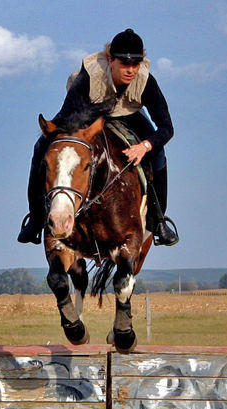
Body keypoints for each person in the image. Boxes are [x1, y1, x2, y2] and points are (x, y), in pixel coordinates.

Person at [18, 28, 179, 246]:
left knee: (158, 153)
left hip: (129, 115)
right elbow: (68, 117)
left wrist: (145, 146)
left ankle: (158, 220)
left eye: (135, 64)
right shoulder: (89, 77)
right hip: (87, 114)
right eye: (124, 63)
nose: (131, 70)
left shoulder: (146, 81)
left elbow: (167, 128)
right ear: (111, 60)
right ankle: (36, 217)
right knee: (42, 145)